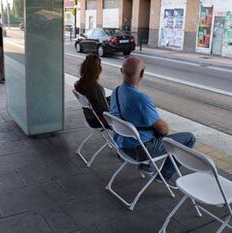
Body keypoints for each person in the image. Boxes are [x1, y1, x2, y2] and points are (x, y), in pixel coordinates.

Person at [109, 56, 196, 187]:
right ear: (142, 74)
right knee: (188, 138)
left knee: (147, 129)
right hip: (140, 150)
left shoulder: (116, 91)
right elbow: (163, 129)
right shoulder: (142, 99)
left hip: (121, 145)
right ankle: (165, 175)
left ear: (121, 71)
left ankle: (146, 165)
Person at [75, 54, 110, 129]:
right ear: (98, 70)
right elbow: (105, 111)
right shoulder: (96, 88)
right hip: (99, 120)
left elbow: (94, 101)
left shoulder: (79, 84)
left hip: (89, 118)